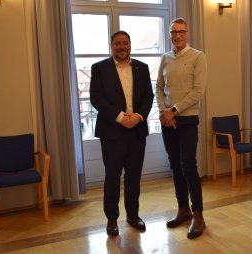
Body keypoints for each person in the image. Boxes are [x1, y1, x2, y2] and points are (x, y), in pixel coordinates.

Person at [90, 31, 154, 236]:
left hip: (137, 131)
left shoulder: (142, 68)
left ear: (130, 45)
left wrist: (139, 116)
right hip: (112, 132)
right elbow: (96, 98)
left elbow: (148, 97)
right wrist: (120, 117)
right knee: (112, 177)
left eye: (125, 43)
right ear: (111, 46)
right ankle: (111, 219)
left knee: (134, 177)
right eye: (117, 43)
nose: (122, 47)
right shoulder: (99, 68)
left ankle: (133, 215)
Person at [155, 18, 207, 239]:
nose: (177, 36)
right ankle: (183, 209)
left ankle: (198, 214)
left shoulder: (198, 56)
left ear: (187, 33)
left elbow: (198, 91)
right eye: (173, 32)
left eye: (181, 32)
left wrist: (173, 110)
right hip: (169, 121)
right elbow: (158, 87)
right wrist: (163, 111)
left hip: (186, 120)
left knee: (189, 166)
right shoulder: (165, 58)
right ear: (170, 34)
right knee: (175, 166)